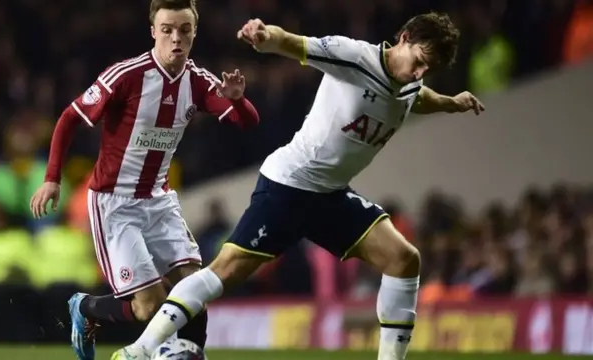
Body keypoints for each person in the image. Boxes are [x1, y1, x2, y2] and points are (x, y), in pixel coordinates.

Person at [113, 12, 485, 360]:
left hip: (331, 196)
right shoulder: (354, 57)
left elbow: (417, 98)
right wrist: (264, 35)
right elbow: (296, 44)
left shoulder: (411, 83)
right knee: (223, 272)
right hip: (289, 186)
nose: (419, 71)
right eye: (418, 60)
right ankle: (138, 351)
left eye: (428, 68)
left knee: (405, 260)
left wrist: (452, 103)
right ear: (403, 38)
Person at [28, 0, 259, 359]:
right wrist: (52, 178)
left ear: (194, 33)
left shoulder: (197, 81)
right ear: (153, 32)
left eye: (184, 30)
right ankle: (85, 307)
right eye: (167, 30)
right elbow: (70, 118)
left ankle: (189, 354)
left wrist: (239, 100)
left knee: (195, 287)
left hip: (158, 199)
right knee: (147, 306)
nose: (176, 38)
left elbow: (247, 122)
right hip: (114, 204)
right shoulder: (126, 75)